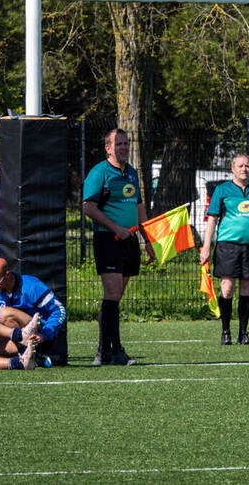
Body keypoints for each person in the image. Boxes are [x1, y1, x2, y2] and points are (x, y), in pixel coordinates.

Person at [81, 128, 155, 366]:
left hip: (129, 241)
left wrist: (148, 240)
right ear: (108, 148)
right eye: (119, 144)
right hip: (108, 240)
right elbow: (88, 207)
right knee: (112, 294)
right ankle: (115, 352)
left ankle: (105, 352)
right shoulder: (99, 173)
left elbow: (139, 208)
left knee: (116, 296)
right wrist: (115, 228)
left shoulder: (132, 173)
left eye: (126, 143)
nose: (123, 147)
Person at [199, 154, 249, 345]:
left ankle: (243, 333)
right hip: (227, 246)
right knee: (227, 287)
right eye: (240, 166)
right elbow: (212, 219)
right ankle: (226, 331)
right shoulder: (222, 190)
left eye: (247, 166)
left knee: (247, 287)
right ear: (233, 169)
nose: (244, 169)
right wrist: (206, 246)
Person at [0, 256, 67, 364]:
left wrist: (44, 334)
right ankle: (31, 356)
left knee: (5, 314)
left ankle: (31, 351)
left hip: (38, 333)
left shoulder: (32, 286)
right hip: (15, 336)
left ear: (7, 274)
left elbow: (59, 310)